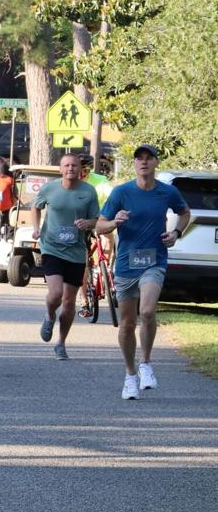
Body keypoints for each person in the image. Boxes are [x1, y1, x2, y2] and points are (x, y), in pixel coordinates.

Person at [95, 144, 190, 400]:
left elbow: (184, 213)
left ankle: (146, 363)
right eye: (139, 159)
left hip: (154, 260)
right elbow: (100, 226)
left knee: (147, 311)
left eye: (149, 158)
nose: (144, 162)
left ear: (156, 163)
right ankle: (130, 375)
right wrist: (115, 222)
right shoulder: (121, 192)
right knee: (126, 324)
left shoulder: (167, 192)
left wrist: (176, 233)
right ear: (135, 164)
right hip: (126, 264)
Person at [31, 153, 99, 360]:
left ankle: (61, 343)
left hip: (76, 251)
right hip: (51, 248)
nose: (70, 168)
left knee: (69, 302)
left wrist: (87, 223)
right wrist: (35, 228)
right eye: (66, 165)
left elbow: (97, 219)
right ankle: (50, 315)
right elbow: (35, 206)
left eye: (74, 166)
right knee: (55, 294)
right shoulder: (50, 188)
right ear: (60, 169)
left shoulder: (88, 191)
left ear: (81, 170)